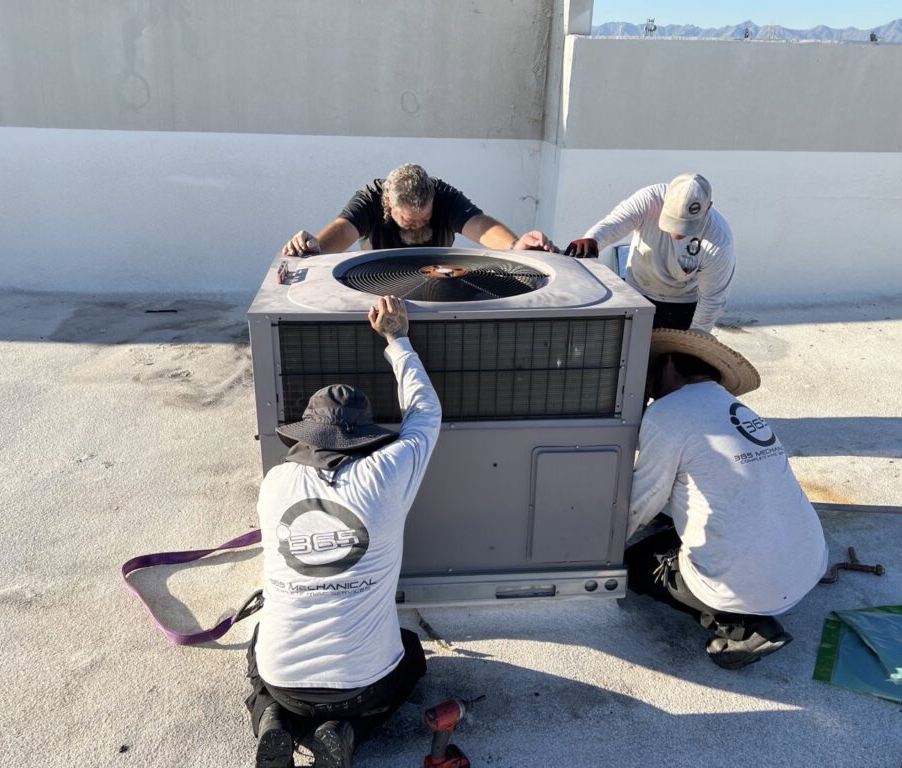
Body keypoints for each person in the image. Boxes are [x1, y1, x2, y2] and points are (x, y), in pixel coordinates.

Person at [246, 295, 442, 768]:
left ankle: (272, 717)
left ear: (307, 436)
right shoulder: (389, 471)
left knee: (257, 649)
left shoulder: (274, 484)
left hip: (284, 680)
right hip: (362, 685)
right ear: (365, 436)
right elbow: (425, 412)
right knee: (412, 656)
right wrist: (397, 339)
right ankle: (348, 729)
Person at [623, 328, 828, 669]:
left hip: (750, 586)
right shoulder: (740, 411)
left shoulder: (667, 413)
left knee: (639, 565)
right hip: (807, 565)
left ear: (670, 363)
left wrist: (599, 553)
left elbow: (640, 502)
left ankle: (743, 627)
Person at [565, 173, 734, 331]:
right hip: (636, 294)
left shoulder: (719, 239)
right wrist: (593, 238)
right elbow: (616, 223)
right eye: (674, 219)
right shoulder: (649, 199)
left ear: (708, 207)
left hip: (683, 305)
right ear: (665, 199)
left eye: (687, 224)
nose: (678, 232)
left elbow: (712, 299)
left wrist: (696, 339)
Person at [281, 163, 556, 256]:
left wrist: (514, 244)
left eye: (426, 218)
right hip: (379, 289)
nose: (420, 225)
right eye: (410, 221)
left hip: (438, 286)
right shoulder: (370, 198)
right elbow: (344, 228)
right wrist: (315, 247)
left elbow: (478, 224)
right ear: (389, 203)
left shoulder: (444, 195)